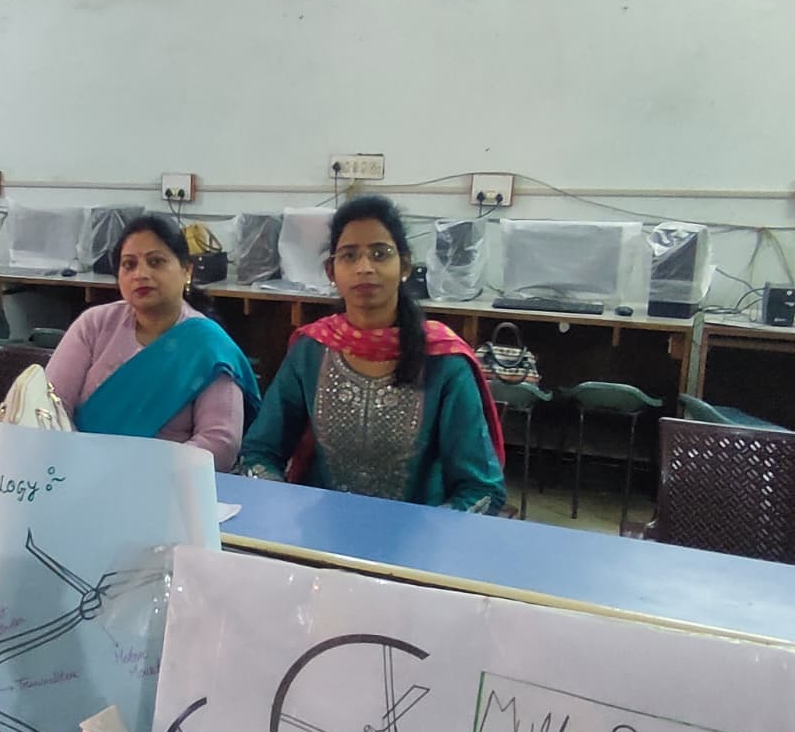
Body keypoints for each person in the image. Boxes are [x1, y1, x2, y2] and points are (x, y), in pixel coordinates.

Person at [238, 196, 506, 511]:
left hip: (416, 535)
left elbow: (481, 489)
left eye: (380, 254)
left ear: (405, 265)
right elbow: (259, 452)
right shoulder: (312, 350)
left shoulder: (443, 360)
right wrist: (280, 509)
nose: (364, 268)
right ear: (331, 271)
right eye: (349, 256)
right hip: (315, 529)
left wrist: (433, 529)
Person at [45, 214, 260, 471]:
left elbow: (220, 444)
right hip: (78, 473)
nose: (141, 274)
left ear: (186, 270)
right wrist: (79, 465)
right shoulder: (95, 325)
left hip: (168, 484)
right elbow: (50, 408)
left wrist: (140, 470)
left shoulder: (208, 346)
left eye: (156, 261)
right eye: (129, 264)